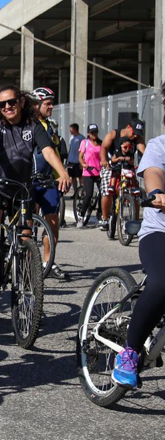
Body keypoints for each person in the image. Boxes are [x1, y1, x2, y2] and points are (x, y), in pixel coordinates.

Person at [0, 84, 70, 306]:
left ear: (22, 102)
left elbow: (47, 150)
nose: (7, 107)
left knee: (26, 238)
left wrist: (62, 172)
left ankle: (27, 294)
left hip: (21, 188)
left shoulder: (33, 124)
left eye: (11, 102)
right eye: (2, 104)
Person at [111, 124, 165, 388]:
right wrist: (157, 193)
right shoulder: (159, 145)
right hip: (160, 233)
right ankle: (129, 353)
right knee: (161, 283)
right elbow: (153, 173)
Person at [30, 87, 67, 278]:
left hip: (49, 181)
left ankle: (48, 262)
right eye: (48, 103)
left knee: (52, 223)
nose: (52, 106)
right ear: (36, 105)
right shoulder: (28, 125)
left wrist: (61, 175)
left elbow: (55, 154)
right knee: (28, 225)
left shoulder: (50, 125)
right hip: (31, 181)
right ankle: (26, 261)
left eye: (52, 103)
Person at [99, 119, 146, 230]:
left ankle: (135, 221)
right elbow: (103, 148)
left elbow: (144, 151)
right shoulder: (114, 134)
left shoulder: (137, 139)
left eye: (138, 134)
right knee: (106, 191)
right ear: (128, 127)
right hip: (112, 165)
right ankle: (105, 219)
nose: (135, 136)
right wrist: (104, 159)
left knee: (135, 194)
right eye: (134, 133)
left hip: (127, 167)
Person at [77, 124, 102, 228]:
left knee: (104, 193)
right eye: (92, 133)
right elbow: (80, 157)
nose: (94, 134)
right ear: (88, 134)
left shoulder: (101, 143)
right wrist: (83, 164)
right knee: (89, 194)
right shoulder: (85, 143)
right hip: (88, 172)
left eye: (96, 132)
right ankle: (81, 216)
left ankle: (100, 216)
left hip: (99, 171)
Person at [67, 123, 85, 192]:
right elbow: (70, 148)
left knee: (80, 177)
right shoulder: (71, 138)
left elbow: (83, 151)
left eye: (71, 129)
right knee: (73, 177)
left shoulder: (81, 138)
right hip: (71, 161)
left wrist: (82, 162)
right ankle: (75, 192)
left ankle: (82, 192)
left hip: (78, 161)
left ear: (74, 129)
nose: (70, 131)